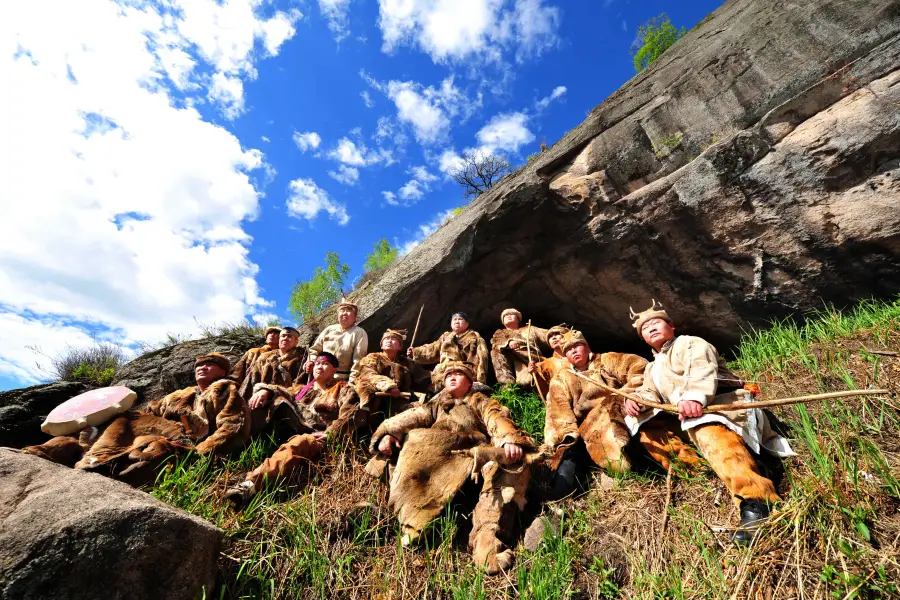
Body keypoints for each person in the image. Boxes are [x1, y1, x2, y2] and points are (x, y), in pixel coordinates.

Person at [626, 300, 794, 544]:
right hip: (687, 416)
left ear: (671, 326)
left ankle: (758, 501)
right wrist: (637, 400)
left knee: (704, 428)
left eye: (656, 322)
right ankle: (700, 469)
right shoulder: (652, 368)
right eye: (645, 328)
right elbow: (651, 393)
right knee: (648, 432)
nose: (651, 327)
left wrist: (695, 397)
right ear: (643, 338)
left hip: (722, 407)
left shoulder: (690, 343)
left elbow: (701, 371)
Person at [369, 361, 535, 575]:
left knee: (509, 466)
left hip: (472, 456)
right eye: (448, 375)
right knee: (404, 446)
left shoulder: (479, 400)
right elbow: (411, 418)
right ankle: (412, 524)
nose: (453, 377)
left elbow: (496, 418)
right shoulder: (436, 406)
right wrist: (388, 434)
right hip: (437, 458)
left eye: (459, 374)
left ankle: (487, 544)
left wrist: (508, 440)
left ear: (470, 382)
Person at [29, 353, 250, 485]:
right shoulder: (179, 395)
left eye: (209, 365)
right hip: (154, 433)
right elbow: (152, 413)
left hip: (187, 445)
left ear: (222, 371)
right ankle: (49, 453)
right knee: (119, 422)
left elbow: (232, 426)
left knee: (152, 447)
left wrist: (202, 455)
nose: (202, 368)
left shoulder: (225, 391)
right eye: (199, 366)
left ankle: (99, 465)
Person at [225, 352, 362, 505]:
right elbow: (280, 390)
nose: (319, 367)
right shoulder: (300, 389)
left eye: (325, 364)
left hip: (315, 435)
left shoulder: (343, 389)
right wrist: (265, 391)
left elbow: (351, 412)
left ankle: (250, 485)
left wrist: (332, 432)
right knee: (268, 402)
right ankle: (233, 450)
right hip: (289, 427)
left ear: (335, 370)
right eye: (317, 363)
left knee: (299, 442)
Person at [543, 330, 647, 499]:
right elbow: (559, 409)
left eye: (578, 345)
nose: (574, 350)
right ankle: (559, 499)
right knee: (569, 464)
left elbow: (637, 365)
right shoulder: (561, 378)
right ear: (565, 355)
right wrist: (569, 435)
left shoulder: (607, 360)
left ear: (587, 347)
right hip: (587, 428)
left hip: (619, 410)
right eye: (569, 349)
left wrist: (629, 394)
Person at [354, 328, 431, 421]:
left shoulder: (406, 363)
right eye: (386, 339)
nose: (389, 341)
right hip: (375, 401)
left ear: (400, 347)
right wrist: (389, 387)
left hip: (400, 403)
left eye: (393, 339)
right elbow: (368, 374)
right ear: (381, 345)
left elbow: (425, 376)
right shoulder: (372, 358)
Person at [241, 327, 307, 433]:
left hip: (289, 403)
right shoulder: (264, 358)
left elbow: (300, 388)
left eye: (290, 336)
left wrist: (270, 391)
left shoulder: (303, 359)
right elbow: (250, 382)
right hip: (259, 400)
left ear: (296, 341)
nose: (285, 338)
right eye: (283, 336)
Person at [407, 312, 490, 391]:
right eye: (454, 319)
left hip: (463, 373)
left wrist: (477, 379)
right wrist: (415, 352)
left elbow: (480, 358)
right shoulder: (445, 337)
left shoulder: (473, 337)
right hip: (443, 373)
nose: (457, 321)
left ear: (467, 324)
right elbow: (432, 349)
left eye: (460, 319)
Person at [305, 297, 368, 385]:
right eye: (342, 310)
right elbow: (315, 350)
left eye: (349, 310)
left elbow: (359, 360)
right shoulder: (329, 329)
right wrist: (310, 361)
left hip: (342, 381)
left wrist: (352, 382)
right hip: (321, 378)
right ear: (337, 316)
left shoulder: (359, 332)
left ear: (355, 316)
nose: (344, 313)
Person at [490, 308, 551, 387]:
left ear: (518, 319)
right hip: (511, 358)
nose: (508, 316)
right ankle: (507, 385)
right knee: (496, 352)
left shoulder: (530, 329)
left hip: (531, 358)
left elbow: (548, 334)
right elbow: (496, 342)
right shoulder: (500, 333)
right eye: (505, 316)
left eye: (511, 314)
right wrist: (509, 342)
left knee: (526, 382)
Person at [527, 324, 571, 398]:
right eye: (550, 337)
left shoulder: (582, 357)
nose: (553, 337)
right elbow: (546, 391)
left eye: (557, 334)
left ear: (567, 337)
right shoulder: (544, 365)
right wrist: (536, 375)